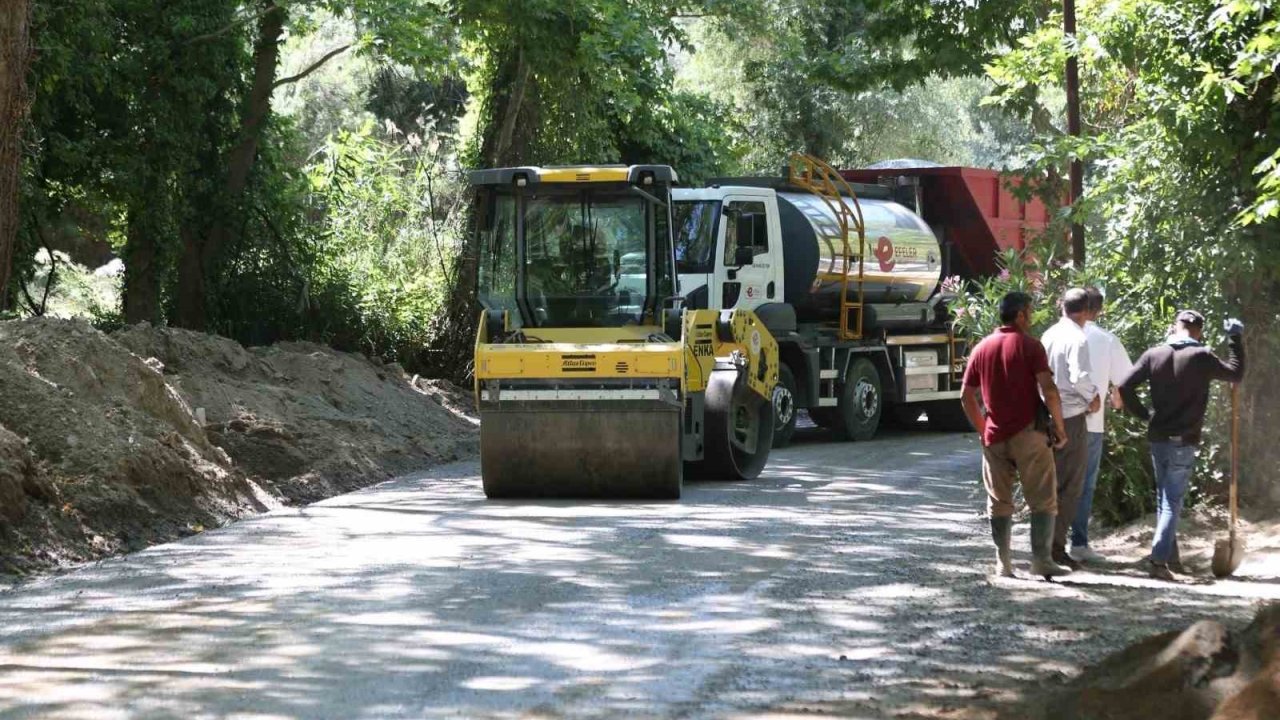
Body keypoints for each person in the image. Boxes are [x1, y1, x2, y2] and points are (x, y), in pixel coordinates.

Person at [1118, 310, 1245, 581]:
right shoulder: (1201, 357)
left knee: (1164, 499)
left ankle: (1170, 559)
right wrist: (1234, 338)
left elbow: (1125, 386)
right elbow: (1236, 373)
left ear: (1176, 327)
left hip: (1158, 438)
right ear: (1198, 330)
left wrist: (1145, 414)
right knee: (1171, 502)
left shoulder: (1154, 354)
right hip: (1182, 440)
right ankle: (1158, 560)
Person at [961, 291, 1072, 579]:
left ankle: (1004, 564)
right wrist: (1060, 428)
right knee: (1042, 498)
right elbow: (1048, 390)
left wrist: (983, 430)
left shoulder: (981, 348)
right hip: (1030, 434)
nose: (1032, 317)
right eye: (1030, 312)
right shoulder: (1030, 346)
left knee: (998, 500)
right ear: (1021, 314)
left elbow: (966, 396)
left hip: (994, 437)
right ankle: (1041, 561)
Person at [1069, 287, 1133, 563]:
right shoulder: (1107, 340)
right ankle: (1079, 543)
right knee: (1085, 484)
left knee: (1059, 481)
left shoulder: (1054, 335)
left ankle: (1051, 541)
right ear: (1100, 309)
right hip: (1091, 422)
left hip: (1057, 420)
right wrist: (1117, 400)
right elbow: (1124, 383)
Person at [1040, 288, 1101, 571]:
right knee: (1070, 486)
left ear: (1062, 307)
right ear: (1087, 311)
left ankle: (1043, 544)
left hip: (1045, 416)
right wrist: (1094, 397)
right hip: (1071, 417)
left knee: (1048, 483)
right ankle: (1055, 547)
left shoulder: (1049, 335)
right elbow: (1080, 378)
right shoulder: (1078, 338)